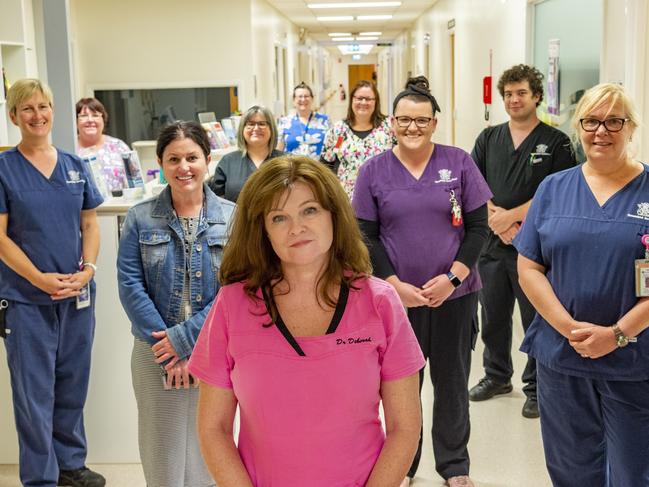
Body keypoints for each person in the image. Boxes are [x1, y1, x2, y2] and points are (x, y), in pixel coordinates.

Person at [188, 155, 424, 486]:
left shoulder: (380, 302)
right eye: (279, 217)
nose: (297, 227)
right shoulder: (232, 305)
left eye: (309, 210)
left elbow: (405, 427)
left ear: (334, 215)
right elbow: (214, 429)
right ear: (263, 231)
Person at [353, 76, 492, 487]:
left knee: (451, 383)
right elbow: (365, 235)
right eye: (404, 120)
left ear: (434, 123)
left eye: (422, 120)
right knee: (401, 389)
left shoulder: (459, 162)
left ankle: (454, 466)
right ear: (391, 124)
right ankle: (404, 465)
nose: (413, 128)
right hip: (395, 302)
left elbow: (479, 229)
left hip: (455, 296)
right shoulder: (373, 171)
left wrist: (453, 278)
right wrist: (393, 284)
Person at [515, 83, 649, 486]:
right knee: (571, 468)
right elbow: (529, 267)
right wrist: (569, 329)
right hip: (563, 355)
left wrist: (617, 335)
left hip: (634, 358)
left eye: (613, 121)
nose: (601, 131)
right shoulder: (554, 189)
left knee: (635, 469)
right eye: (591, 121)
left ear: (631, 128)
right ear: (579, 126)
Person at [117, 121, 234, 487]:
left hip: (213, 350)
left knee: (209, 449)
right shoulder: (139, 217)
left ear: (207, 159)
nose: (184, 167)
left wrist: (185, 341)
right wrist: (168, 348)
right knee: (161, 452)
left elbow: (236, 289)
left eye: (192, 157)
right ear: (161, 163)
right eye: (174, 159)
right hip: (154, 353)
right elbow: (129, 284)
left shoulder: (233, 218)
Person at [0, 79, 105, 487]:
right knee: (33, 394)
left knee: (72, 384)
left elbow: (90, 224)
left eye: (44, 106)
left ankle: (70, 466)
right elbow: (1, 239)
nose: (38, 115)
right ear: (13, 116)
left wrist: (88, 271)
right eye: (27, 109)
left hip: (76, 295)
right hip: (26, 300)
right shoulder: (5, 169)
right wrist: (39, 279)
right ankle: (41, 478)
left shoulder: (74, 166)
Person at [468, 64, 575, 418]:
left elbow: (558, 193)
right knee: (494, 315)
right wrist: (497, 223)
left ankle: (537, 386)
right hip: (494, 246)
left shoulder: (556, 142)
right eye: (508, 94)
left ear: (537, 96)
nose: (514, 100)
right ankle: (497, 376)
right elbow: (473, 185)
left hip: (537, 248)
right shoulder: (488, 138)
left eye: (521, 93)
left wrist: (511, 218)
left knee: (535, 319)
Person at [321, 80, 395, 199]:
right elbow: (326, 165)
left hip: (383, 197)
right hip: (347, 200)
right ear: (352, 100)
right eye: (359, 98)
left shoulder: (389, 127)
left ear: (376, 102)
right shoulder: (338, 130)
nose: (363, 102)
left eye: (368, 99)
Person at [207, 105, 283, 202]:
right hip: (236, 217)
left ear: (271, 129)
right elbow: (216, 201)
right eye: (250, 124)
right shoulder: (228, 162)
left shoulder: (285, 161)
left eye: (262, 124)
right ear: (242, 129)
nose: (256, 128)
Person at [76, 97, 131, 192]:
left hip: (118, 206)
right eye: (83, 116)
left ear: (103, 120)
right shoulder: (69, 150)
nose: (90, 120)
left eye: (95, 115)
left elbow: (135, 183)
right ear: (76, 121)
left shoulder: (119, 146)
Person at [277, 82, 329, 158]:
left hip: (318, 168)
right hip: (291, 168)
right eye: (300, 96)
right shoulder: (284, 122)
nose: (303, 99)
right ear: (294, 100)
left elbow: (332, 147)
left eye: (306, 96)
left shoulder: (325, 120)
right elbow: (278, 151)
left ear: (312, 98)